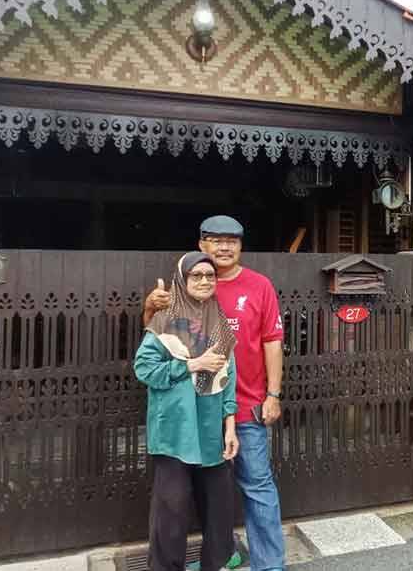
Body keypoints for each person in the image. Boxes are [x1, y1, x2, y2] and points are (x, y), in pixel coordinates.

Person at [144, 216, 286, 571]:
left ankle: (268, 564)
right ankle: (218, 556)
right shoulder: (187, 285)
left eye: (232, 240)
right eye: (215, 240)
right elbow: (153, 342)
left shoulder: (259, 286)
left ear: (241, 245)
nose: (224, 247)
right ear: (201, 245)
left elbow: (272, 341)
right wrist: (149, 306)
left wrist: (273, 393)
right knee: (197, 497)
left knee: (255, 486)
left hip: (244, 407)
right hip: (192, 415)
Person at [135, 252, 240, 571]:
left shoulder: (219, 322)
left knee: (219, 508)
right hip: (175, 431)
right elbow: (144, 369)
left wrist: (230, 424)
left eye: (210, 276)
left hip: (211, 429)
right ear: (183, 280)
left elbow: (229, 377)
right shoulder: (163, 322)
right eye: (197, 276)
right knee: (172, 510)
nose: (205, 281)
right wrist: (192, 364)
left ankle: (216, 564)